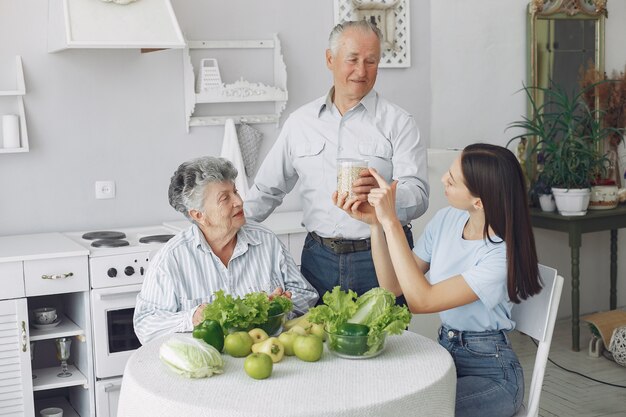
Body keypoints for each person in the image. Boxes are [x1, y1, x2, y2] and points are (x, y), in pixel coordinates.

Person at [336, 143, 542, 417]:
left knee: (417, 410)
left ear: (478, 201)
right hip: (445, 356)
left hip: (493, 375)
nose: (444, 179)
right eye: (448, 172)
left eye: (452, 180)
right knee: (381, 398)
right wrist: (376, 224)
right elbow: (393, 286)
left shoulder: (498, 257)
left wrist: (392, 223)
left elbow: (421, 301)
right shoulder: (447, 219)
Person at [245, 20, 429, 302]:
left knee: (391, 344)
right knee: (314, 342)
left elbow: (418, 196)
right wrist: (225, 231)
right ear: (330, 59)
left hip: (384, 258)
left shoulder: (399, 122)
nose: (361, 71)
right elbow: (267, 190)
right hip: (318, 259)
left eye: (371, 61)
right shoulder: (300, 123)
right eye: (352, 59)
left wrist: (382, 197)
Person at [134, 156, 318, 345]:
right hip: (209, 364)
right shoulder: (171, 259)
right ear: (199, 215)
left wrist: (282, 305)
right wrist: (192, 317)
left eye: (235, 191)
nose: (239, 201)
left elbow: (307, 294)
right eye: (225, 198)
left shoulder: (266, 241)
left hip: (266, 356)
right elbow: (145, 324)